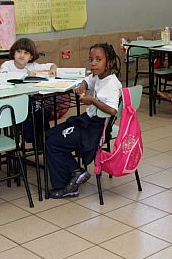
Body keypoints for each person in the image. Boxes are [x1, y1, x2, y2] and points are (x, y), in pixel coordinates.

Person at [46, 43, 122, 198]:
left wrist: (92, 101)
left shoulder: (112, 84)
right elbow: (89, 80)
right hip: (87, 121)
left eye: (98, 59)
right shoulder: (100, 76)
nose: (93, 63)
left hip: (94, 129)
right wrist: (82, 85)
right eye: (91, 59)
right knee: (50, 134)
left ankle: (68, 184)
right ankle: (75, 172)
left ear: (110, 62)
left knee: (53, 142)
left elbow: (113, 110)